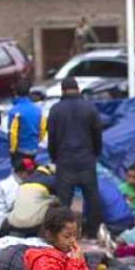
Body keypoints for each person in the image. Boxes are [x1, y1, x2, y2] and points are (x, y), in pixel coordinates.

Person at [46, 76, 103, 239]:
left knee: (64, 203)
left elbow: (52, 137)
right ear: (78, 89)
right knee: (92, 198)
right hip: (86, 159)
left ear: (62, 91)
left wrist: (54, 157)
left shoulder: (56, 109)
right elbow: (97, 134)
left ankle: (65, 235)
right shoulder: (90, 108)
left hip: (65, 161)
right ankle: (92, 232)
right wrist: (95, 153)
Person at [0, 159, 56, 238]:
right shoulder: (51, 180)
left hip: (12, 226)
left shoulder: (23, 183)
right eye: (28, 172)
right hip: (34, 227)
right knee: (55, 207)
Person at [8, 79, 46, 166]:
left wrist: (12, 149)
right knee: (30, 171)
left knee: (20, 175)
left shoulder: (14, 111)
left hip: (20, 150)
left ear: (16, 92)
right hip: (33, 148)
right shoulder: (37, 110)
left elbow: (13, 133)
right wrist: (37, 141)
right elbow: (43, 128)